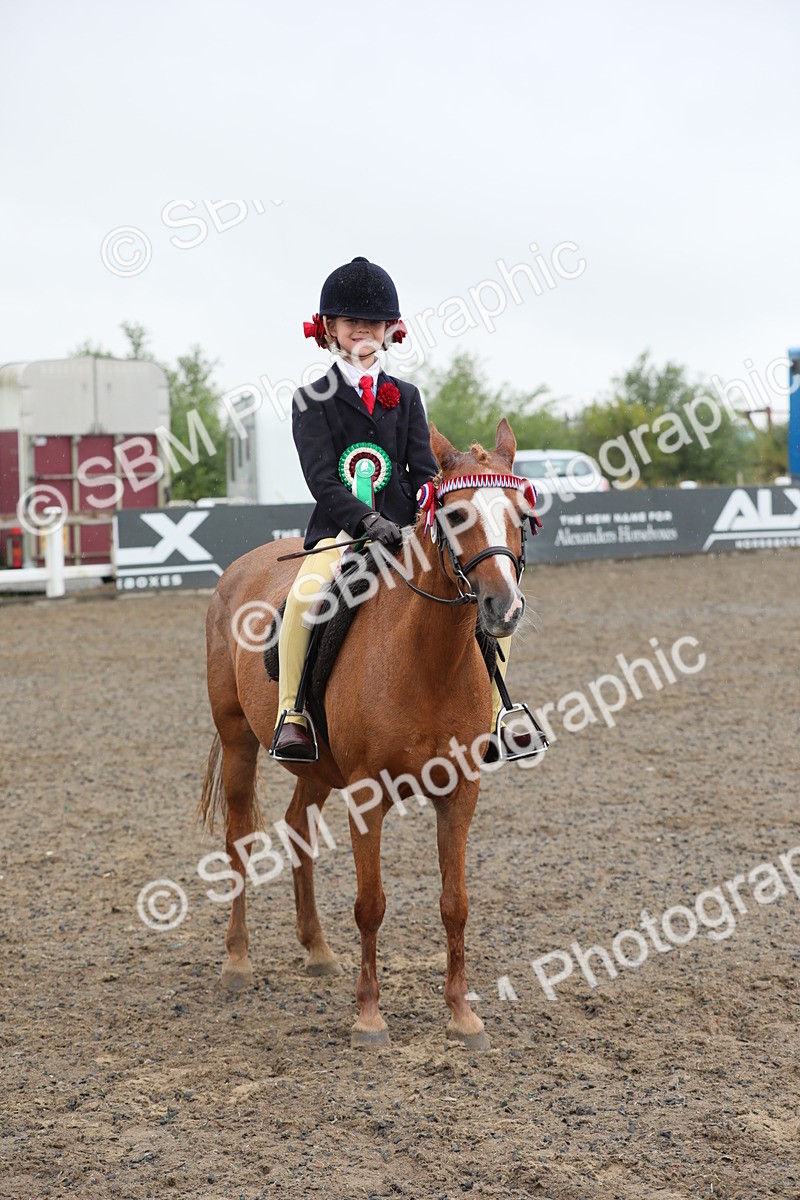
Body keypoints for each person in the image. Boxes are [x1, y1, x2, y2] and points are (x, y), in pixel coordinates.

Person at [269, 256, 528, 763]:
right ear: (330, 331)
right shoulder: (310, 400)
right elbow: (322, 479)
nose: (362, 330)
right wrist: (366, 520)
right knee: (302, 599)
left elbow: (420, 469)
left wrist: (415, 520)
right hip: (341, 535)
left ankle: (499, 712)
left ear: (390, 331)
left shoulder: (405, 397)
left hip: (405, 534)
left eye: (373, 324)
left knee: (494, 592)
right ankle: (293, 715)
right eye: (351, 323)